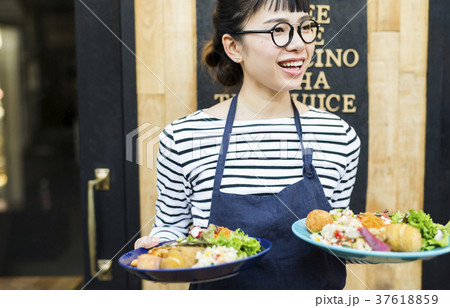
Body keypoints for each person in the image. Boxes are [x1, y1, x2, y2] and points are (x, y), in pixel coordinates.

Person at [135, 0, 360, 289]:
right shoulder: (183, 137)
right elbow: (171, 228)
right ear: (234, 47)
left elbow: (335, 236)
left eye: (305, 27)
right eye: (278, 30)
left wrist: (370, 241)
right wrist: (158, 246)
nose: (299, 45)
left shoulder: (339, 136)